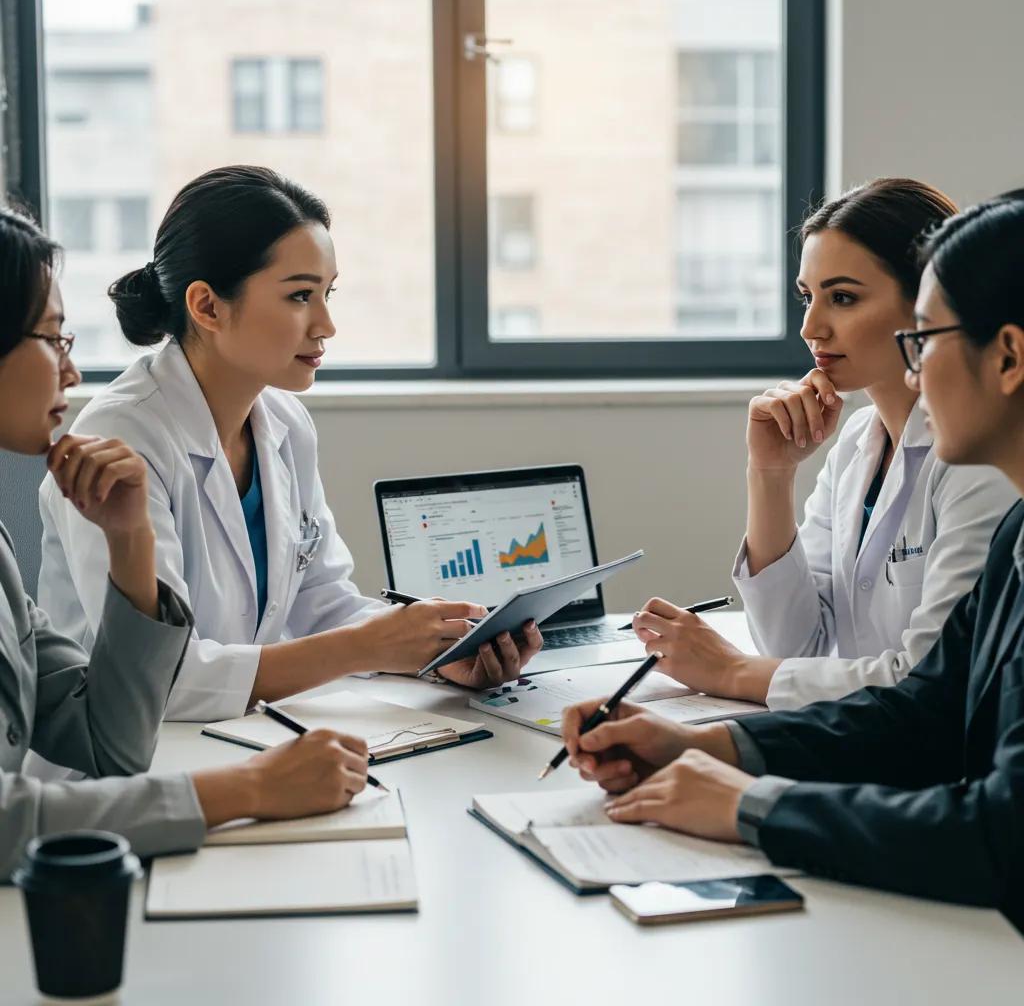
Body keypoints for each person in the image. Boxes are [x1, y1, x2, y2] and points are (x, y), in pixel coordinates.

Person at [562, 193, 1024, 929]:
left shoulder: (986, 487)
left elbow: (1001, 834)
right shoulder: (1014, 531)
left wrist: (750, 800)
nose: (914, 375)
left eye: (926, 340)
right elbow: (925, 708)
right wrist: (705, 744)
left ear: (1007, 357)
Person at [37, 166, 541, 722]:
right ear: (207, 306)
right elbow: (164, 676)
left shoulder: (283, 422)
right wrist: (367, 647)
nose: (326, 324)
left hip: (238, 731)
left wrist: (436, 653)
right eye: (300, 295)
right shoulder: (121, 438)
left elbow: (322, 602)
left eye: (327, 293)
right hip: (122, 747)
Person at [0, 204, 379, 876]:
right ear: (206, 306)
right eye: (52, 339)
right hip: (77, 843)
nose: (72, 374)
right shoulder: (127, 426)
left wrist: (132, 543)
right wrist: (251, 789)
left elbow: (109, 742)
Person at [630, 178, 1016, 710]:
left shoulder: (982, 457)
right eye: (807, 297)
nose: (811, 327)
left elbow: (929, 682)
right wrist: (770, 473)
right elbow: (795, 648)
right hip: (860, 735)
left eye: (843, 298)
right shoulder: (858, 439)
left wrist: (728, 670)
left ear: (927, 302)